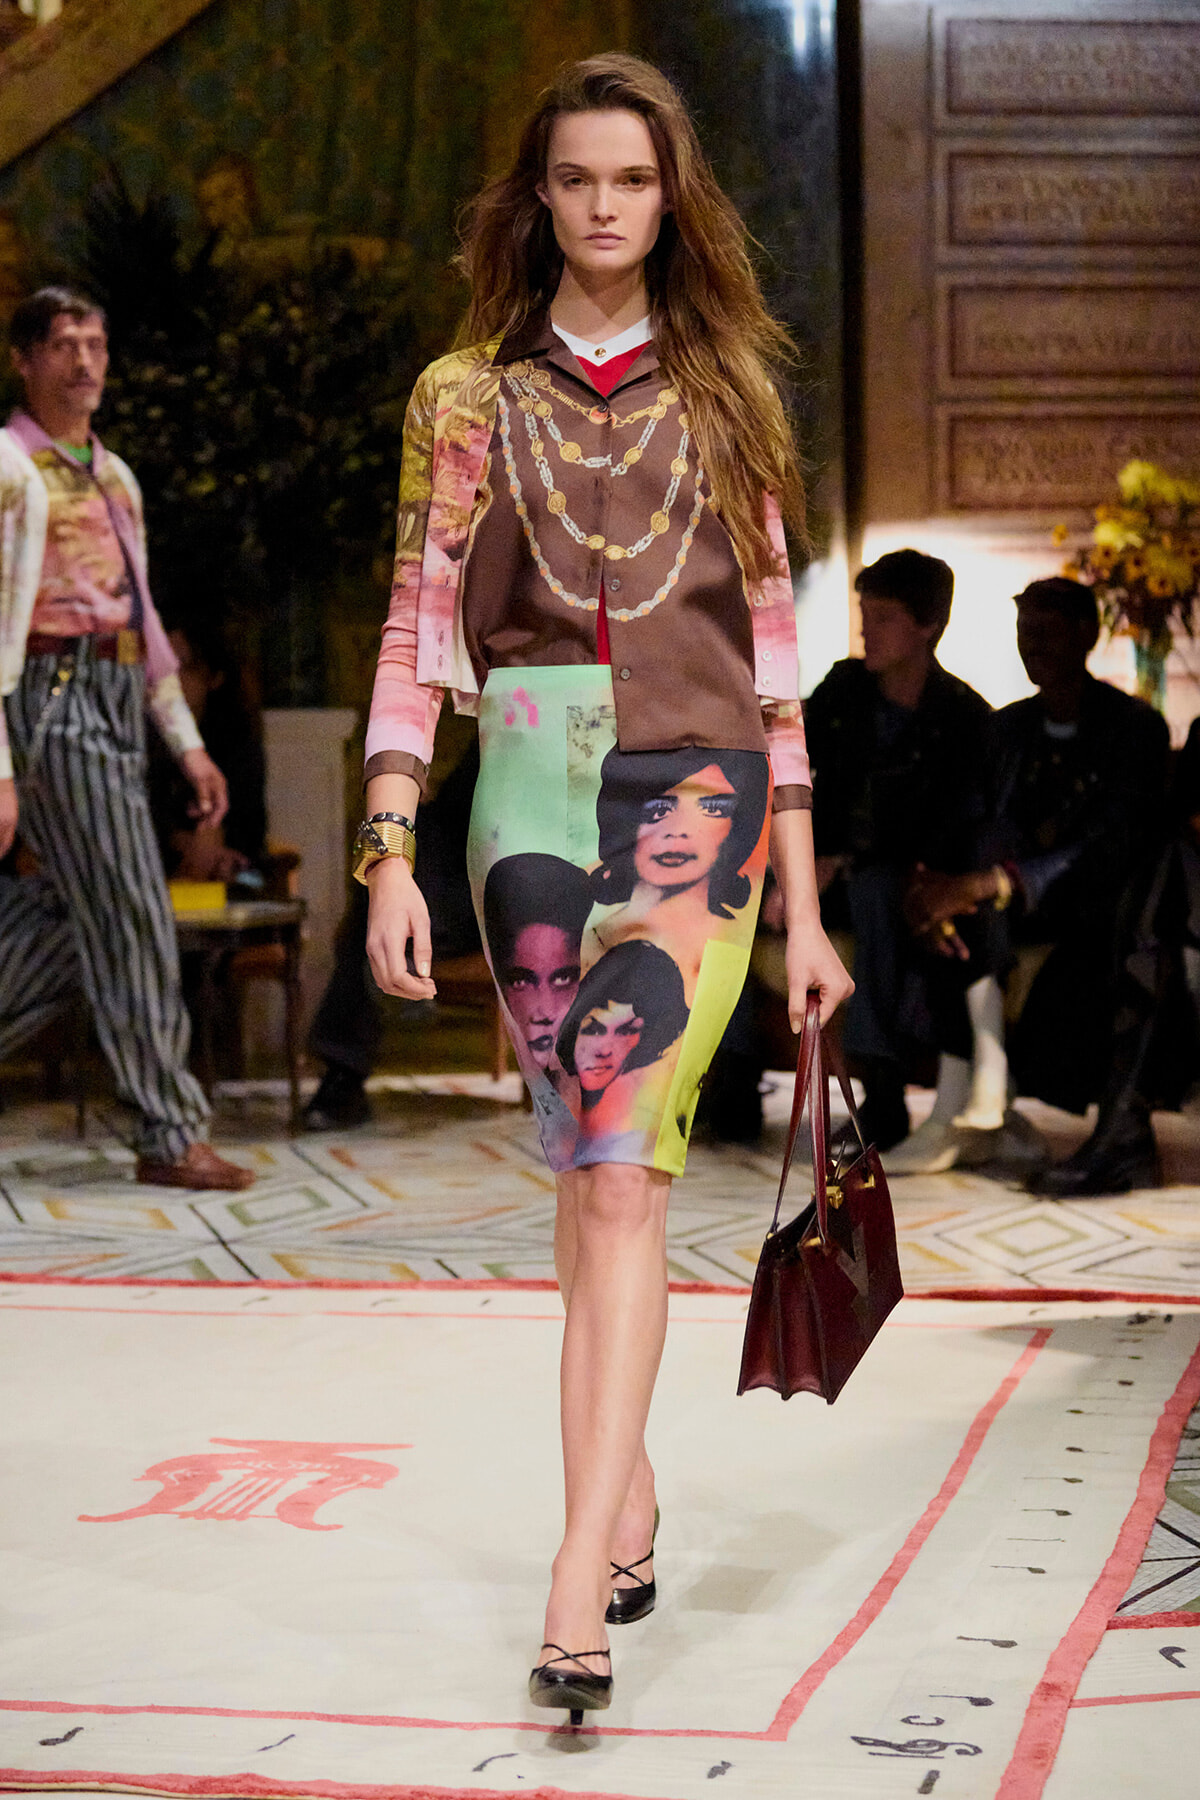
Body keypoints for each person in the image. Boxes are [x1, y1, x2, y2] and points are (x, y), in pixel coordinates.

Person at [354, 55, 852, 1720]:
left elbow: (779, 668)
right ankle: (622, 1486)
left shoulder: (734, 400)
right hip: (533, 789)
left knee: (628, 1165)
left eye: (630, 180)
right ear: (538, 199)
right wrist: (388, 844)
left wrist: (805, 903)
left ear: (670, 197)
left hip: (696, 796)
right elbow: (421, 633)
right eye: (574, 179)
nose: (602, 206)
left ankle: (578, 1569)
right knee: (592, 1167)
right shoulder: (463, 399)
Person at [0, 287, 253, 1191]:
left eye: (96, 343)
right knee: (136, 907)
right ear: (26, 361)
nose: (84, 361)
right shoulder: (9, 467)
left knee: (75, 918)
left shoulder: (114, 477)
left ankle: (162, 1118)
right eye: (64, 344)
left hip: (111, 689)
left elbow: (145, 624)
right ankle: (167, 1130)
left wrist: (185, 743)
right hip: (49, 689)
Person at [907, 576, 1171, 1184]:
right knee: (962, 875)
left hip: (1102, 905)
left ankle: (989, 1088)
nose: (1033, 648)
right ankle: (968, 1099)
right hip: (1009, 905)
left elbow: (1112, 844)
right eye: (1025, 634)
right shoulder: (1006, 728)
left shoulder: (1135, 728)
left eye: (1046, 633)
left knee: (986, 887)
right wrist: (928, 885)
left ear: (1087, 635)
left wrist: (987, 884)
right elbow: (968, 817)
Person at [803, 548, 991, 1151]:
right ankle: (726, 1082)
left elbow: (946, 831)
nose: (866, 629)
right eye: (864, 612)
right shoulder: (842, 690)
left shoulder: (963, 718)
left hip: (897, 887)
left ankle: (881, 1096)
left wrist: (849, 860)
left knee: (876, 887)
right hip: (822, 876)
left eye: (882, 616)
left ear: (927, 626)